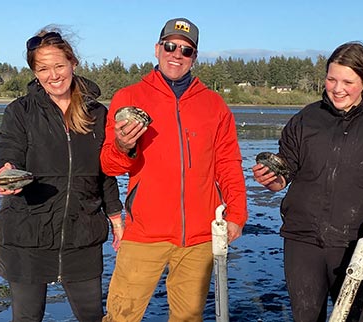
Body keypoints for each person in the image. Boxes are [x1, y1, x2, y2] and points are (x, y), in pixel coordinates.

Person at [252, 41, 363, 322]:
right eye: (331, 79)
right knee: (305, 317)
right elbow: (285, 172)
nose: (338, 88)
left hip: (358, 242)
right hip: (302, 240)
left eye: (348, 81)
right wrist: (272, 180)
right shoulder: (307, 118)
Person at [100, 17, 248, 321]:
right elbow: (110, 165)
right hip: (144, 233)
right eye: (170, 46)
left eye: (185, 50)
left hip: (198, 237)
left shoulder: (214, 105)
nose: (176, 55)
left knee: (188, 318)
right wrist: (123, 145)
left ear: (194, 57)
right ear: (157, 49)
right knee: (121, 315)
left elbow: (228, 162)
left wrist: (236, 213)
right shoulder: (129, 97)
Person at [0, 27, 123, 322]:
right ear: (34, 72)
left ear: (73, 64)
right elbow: (8, 153)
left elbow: (105, 172)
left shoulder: (96, 113)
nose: (53, 75)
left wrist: (115, 217)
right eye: (43, 68)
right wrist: (7, 172)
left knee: (92, 316)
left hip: (83, 233)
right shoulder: (20, 111)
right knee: (26, 318)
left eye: (59, 66)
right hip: (28, 231)